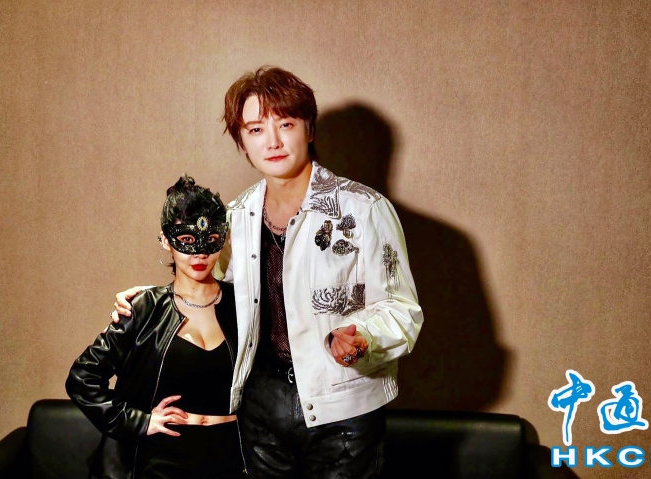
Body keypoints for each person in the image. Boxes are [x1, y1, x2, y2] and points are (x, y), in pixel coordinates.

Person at [113, 67, 423, 478]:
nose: (272, 141)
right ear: (242, 142)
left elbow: (402, 309)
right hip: (259, 408)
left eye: (286, 124)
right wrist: (152, 302)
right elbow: (208, 291)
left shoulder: (365, 209)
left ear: (309, 129)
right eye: (256, 129)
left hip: (344, 408)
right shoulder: (234, 217)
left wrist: (364, 336)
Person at [67, 176, 246, 478]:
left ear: (224, 238)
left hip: (229, 458)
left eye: (211, 239)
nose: (200, 253)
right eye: (186, 239)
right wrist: (139, 422)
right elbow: (82, 378)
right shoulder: (144, 308)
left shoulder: (245, 307)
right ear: (165, 240)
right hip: (159, 461)